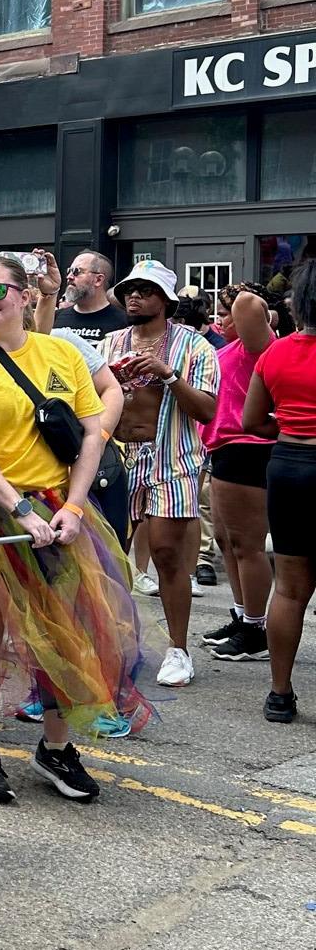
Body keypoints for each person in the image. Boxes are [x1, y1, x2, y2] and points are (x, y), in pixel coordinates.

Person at [0, 252, 148, 805]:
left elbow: (93, 432)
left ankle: (56, 748)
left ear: (24, 295)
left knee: (61, 626)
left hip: (51, 505)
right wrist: (20, 508)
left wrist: (71, 505)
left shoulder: (60, 353)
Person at [102, 261, 219, 689]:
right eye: (130, 289)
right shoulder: (109, 344)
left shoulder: (195, 347)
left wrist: (167, 374)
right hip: (117, 459)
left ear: (166, 301)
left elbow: (207, 411)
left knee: (168, 554)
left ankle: (178, 648)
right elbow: (91, 401)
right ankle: (112, 644)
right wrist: (112, 381)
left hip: (173, 459)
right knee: (110, 556)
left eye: (146, 290)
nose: (135, 296)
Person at [243, 259, 316, 722]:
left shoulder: (275, 354)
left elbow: (251, 421)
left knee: (289, 588)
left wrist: (289, 425)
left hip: (289, 467)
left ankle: (280, 694)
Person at [199, 285, 275, 666]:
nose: (221, 318)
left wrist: (247, 297)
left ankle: (256, 630)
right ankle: (242, 616)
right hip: (222, 450)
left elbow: (248, 306)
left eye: (226, 312)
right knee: (227, 542)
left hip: (247, 449)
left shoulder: (257, 346)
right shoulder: (226, 349)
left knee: (247, 545)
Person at [53, 252, 129, 345]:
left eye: (77, 271)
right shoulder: (56, 317)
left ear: (98, 280)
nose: (69, 277)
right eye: (69, 271)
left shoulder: (123, 322)